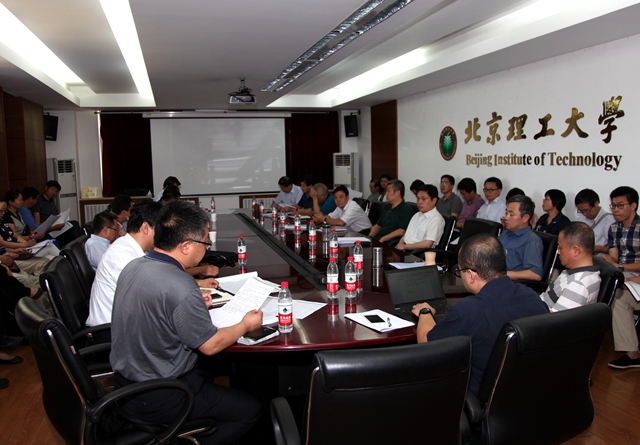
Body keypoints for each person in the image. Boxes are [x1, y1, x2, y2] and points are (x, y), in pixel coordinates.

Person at [110, 201, 261, 444]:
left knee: (207, 374)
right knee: (249, 410)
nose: (206, 248)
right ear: (186, 246)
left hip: (126, 386)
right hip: (162, 395)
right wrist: (246, 324)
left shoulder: (134, 266)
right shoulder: (181, 285)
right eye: (205, 243)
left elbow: (157, 310)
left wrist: (191, 308)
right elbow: (210, 345)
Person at [412, 233, 548, 396]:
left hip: (480, 398)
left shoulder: (467, 310)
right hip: (530, 393)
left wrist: (425, 312)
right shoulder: (534, 298)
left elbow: (427, 345)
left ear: (471, 275)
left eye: (460, 271)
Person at [87, 199, 163, 329]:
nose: (163, 235)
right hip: (111, 331)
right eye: (161, 229)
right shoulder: (124, 256)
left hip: (122, 324)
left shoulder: (128, 247)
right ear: (146, 227)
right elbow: (154, 297)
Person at [601, 186, 640, 369]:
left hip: (634, 273)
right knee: (613, 294)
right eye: (613, 206)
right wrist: (610, 263)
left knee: (618, 293)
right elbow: (614, 258)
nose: (615, 210)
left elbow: (620, 265)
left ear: (633, 206)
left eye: (620, 205)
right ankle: (632, 353)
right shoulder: (614, 228)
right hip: (625, 272)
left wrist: (620, 268)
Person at [539, 222, 601, 312]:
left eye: (560, 248)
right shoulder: (574, 271)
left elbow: (555, 319)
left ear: (576, 250)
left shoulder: (579, 284)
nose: (558, 252)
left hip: (538, 316)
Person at [498, 194, 544, 281]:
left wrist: (502, 274)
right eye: (506, 213)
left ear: (525, 218)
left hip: (511, 284)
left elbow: (535, 274)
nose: (506, 217)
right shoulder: (506, 233)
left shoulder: (531, 240)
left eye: (511, 214)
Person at [395, 184, 445, 251]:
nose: (419, 202)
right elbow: (406, 235)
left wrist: (405, 247)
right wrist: (400, 245)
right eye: (418, 198)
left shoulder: (436, 219)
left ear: (434, 200)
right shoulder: (417, 215)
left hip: (418, 253)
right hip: (405, 249)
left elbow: (427, 244)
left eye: (423, 199)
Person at [575, 188, 615, 255]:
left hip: (600, 258)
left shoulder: (609, 220)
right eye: (581, 211)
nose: (584, 214)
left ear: (596, 203)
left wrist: (597, 248)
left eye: (586, 210)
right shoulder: (581, 219)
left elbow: (616, 249)